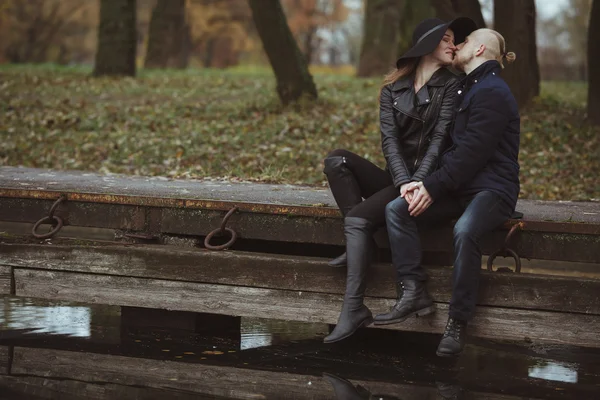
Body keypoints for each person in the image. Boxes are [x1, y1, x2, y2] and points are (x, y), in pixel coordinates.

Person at [322, 17, 477, 344]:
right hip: (399, 179)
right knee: (336, 159)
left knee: (358, 220)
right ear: (427, 44)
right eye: (447, 39)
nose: (454, 45)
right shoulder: (393, 89)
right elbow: (389, 142)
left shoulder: (451, 85)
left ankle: (353, 307)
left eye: (455, 40)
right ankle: (361, 245)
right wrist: (404, 180)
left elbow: (439, 140)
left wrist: (418, 182)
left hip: (430, 181)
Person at [374, 28, 519, 357]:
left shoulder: (493, 91)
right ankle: (412, 291)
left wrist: (433, 186)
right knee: (398, 209)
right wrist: (422, 184)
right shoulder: (469, 87)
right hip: (459, 186)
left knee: (465, 230)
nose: (458, 45)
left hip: (493, 189)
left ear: (480, 48)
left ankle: (457, 322)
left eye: (465, 41)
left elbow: (472, 153)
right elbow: (450, 150)